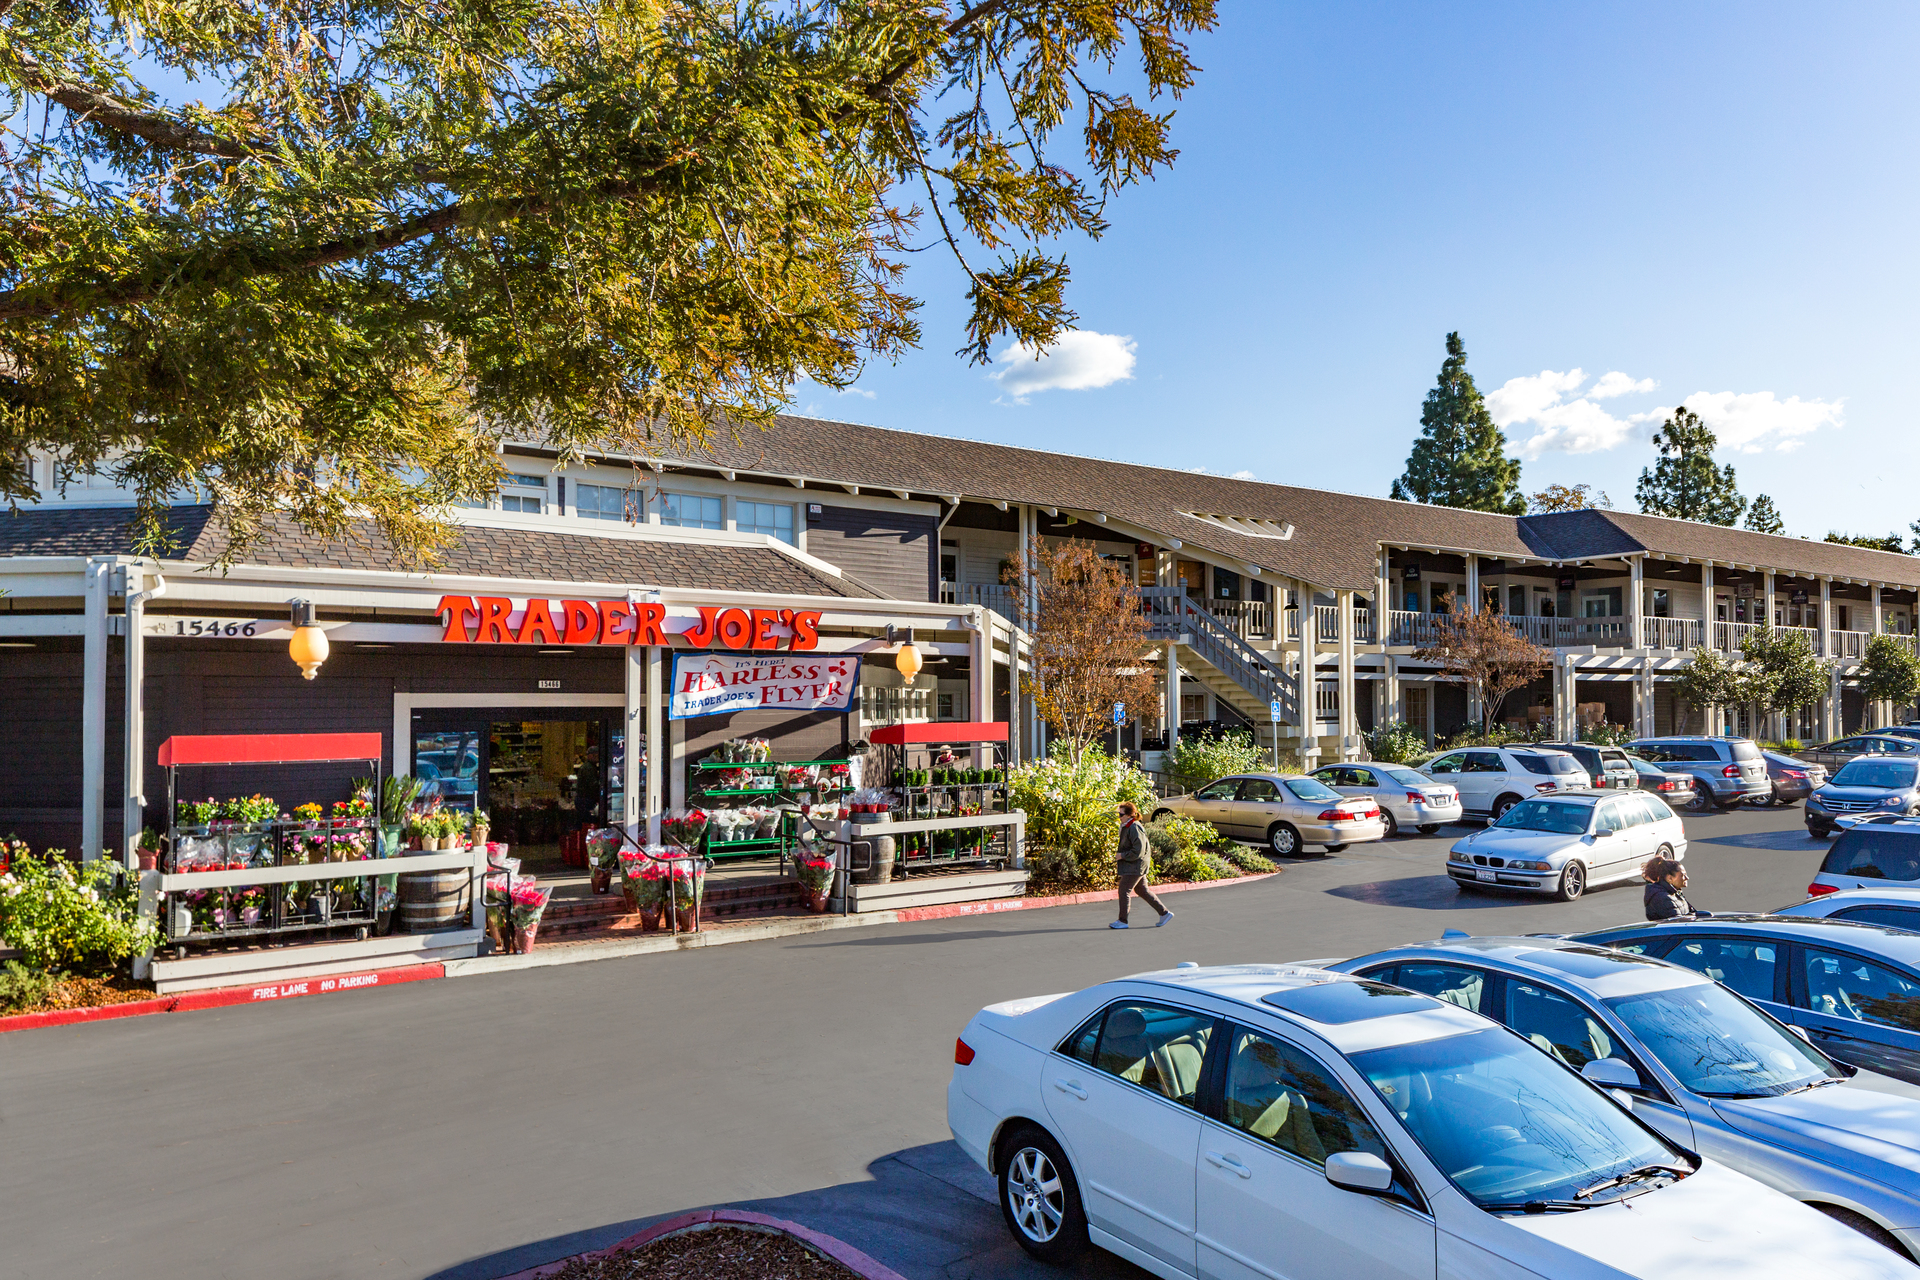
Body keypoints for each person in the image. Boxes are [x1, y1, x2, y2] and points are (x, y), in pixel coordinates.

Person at [1113, 803, 1173, 929]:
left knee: (1124, 890)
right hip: (1136, 864)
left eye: (1121, 814)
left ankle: (1123, 921)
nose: (1119, 817)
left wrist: (1122, 855)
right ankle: (1164, 913)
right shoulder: (1127, 826)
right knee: (1141, 890)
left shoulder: (1134, 827)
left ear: (1130, 815)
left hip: (1136, 865)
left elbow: (1138, 850)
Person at [1643, 855, 1709, 920]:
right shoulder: (1661, 897)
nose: (1687, 878)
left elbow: (1690, 913)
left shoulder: (1675, 893)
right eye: (1682, 875)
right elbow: (1677, 922)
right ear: (1670, 878)